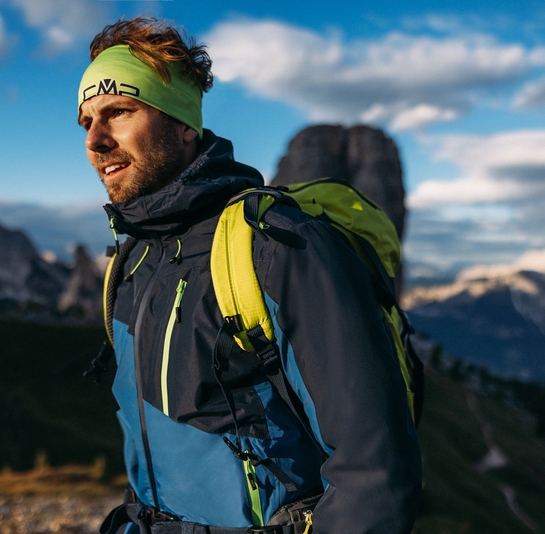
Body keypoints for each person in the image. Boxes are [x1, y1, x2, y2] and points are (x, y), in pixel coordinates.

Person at [78, 17, 421, 534]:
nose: (96, 140)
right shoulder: (134, 259)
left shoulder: (278, 246)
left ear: (183, 124)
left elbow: (373, 470)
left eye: (119, 112)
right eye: (86, 122)